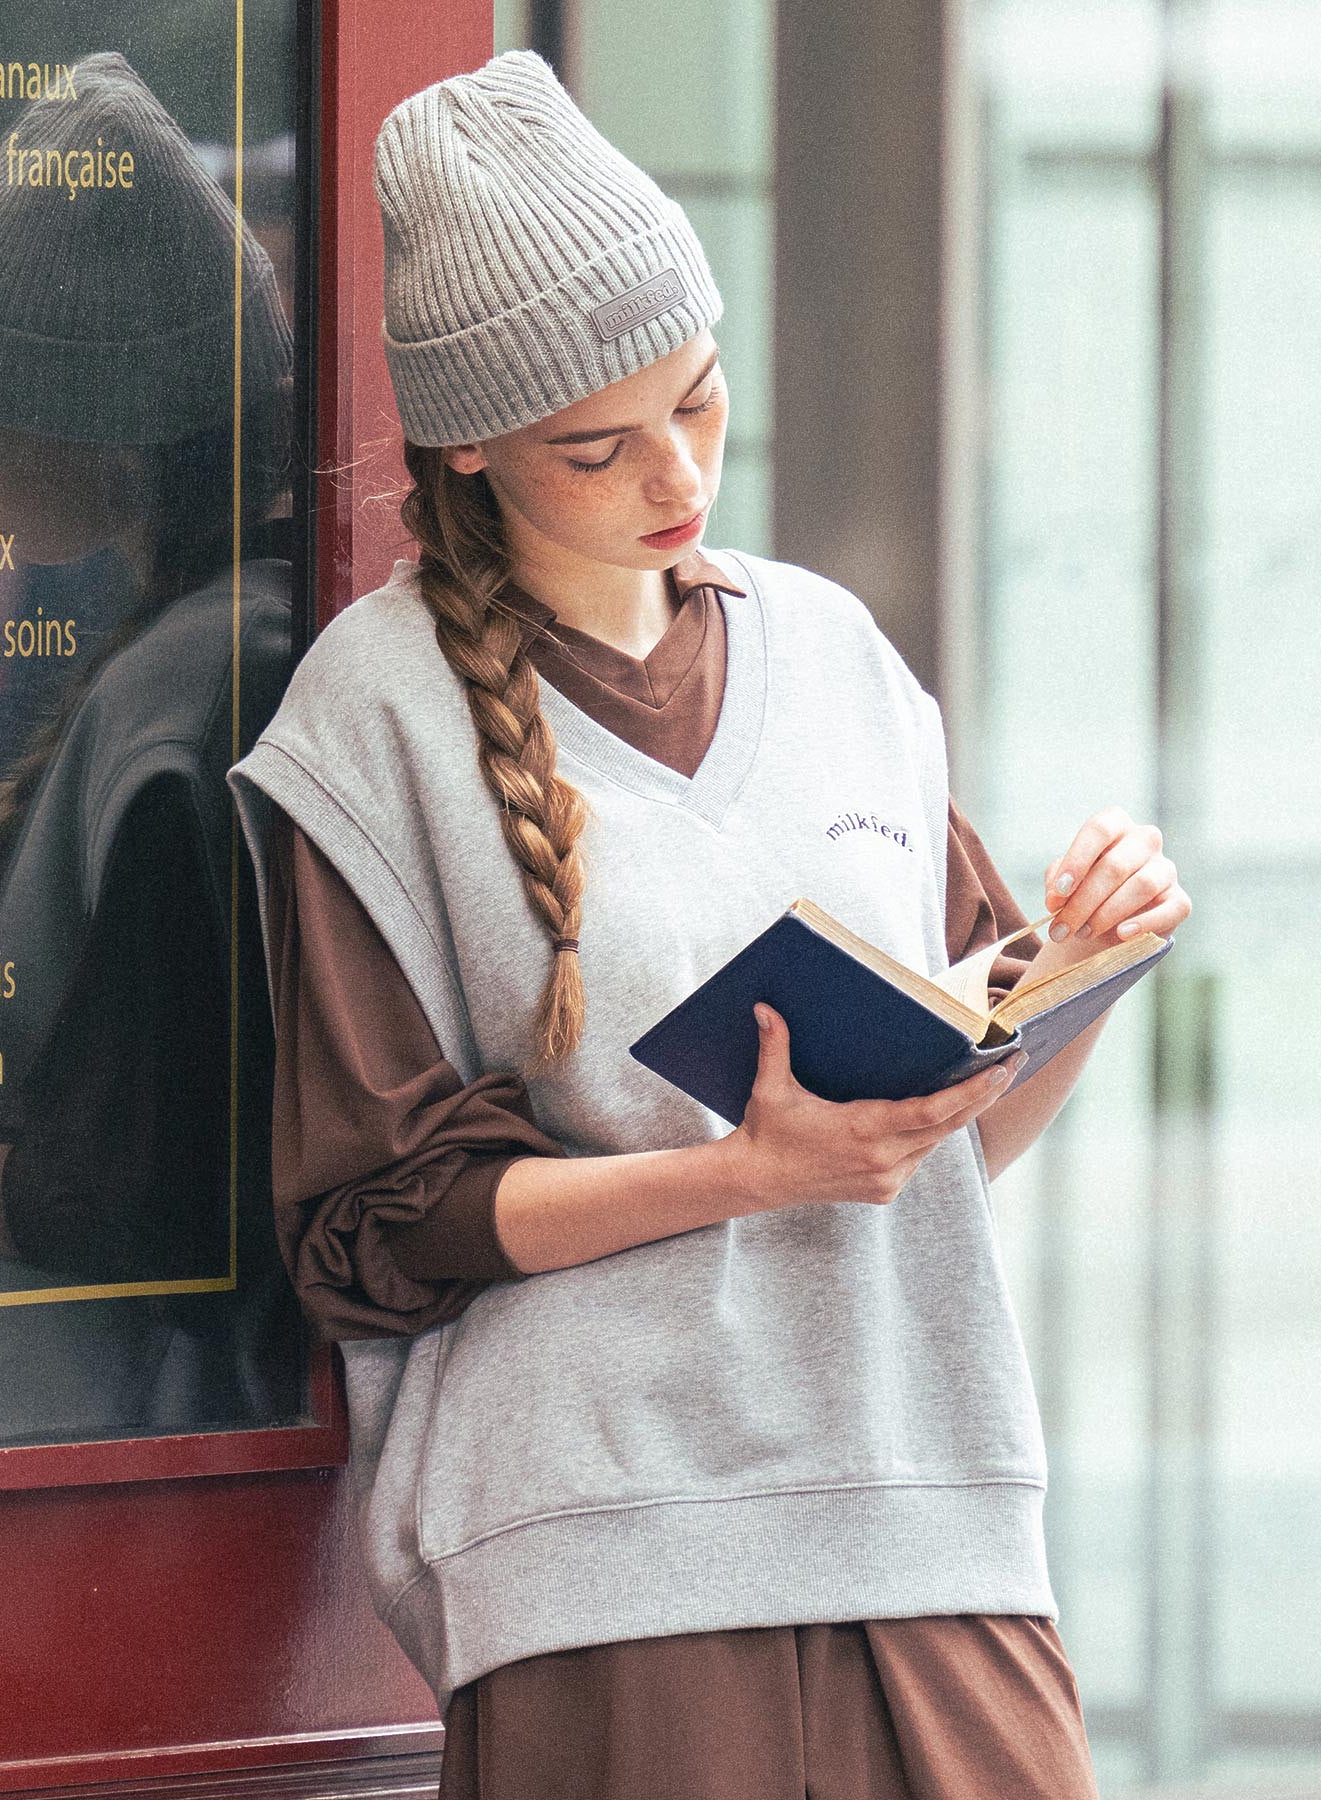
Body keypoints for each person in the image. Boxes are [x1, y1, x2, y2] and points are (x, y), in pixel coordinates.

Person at [228, 48, 1192, 1799]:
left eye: (700, 398)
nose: (675, 472)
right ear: (468, 447)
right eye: (595, 444)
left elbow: (933, 1149)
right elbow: (376, 1223)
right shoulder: (370, 719)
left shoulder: (835, 656)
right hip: (606, 1567)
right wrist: (744, 1172)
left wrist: (1081, 970)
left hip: (933, 1515)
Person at [0, 52, 300, 1446]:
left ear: (119, 440)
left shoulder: (205, 684)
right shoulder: (189, 646)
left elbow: (136, 1195)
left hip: (78, 1433)